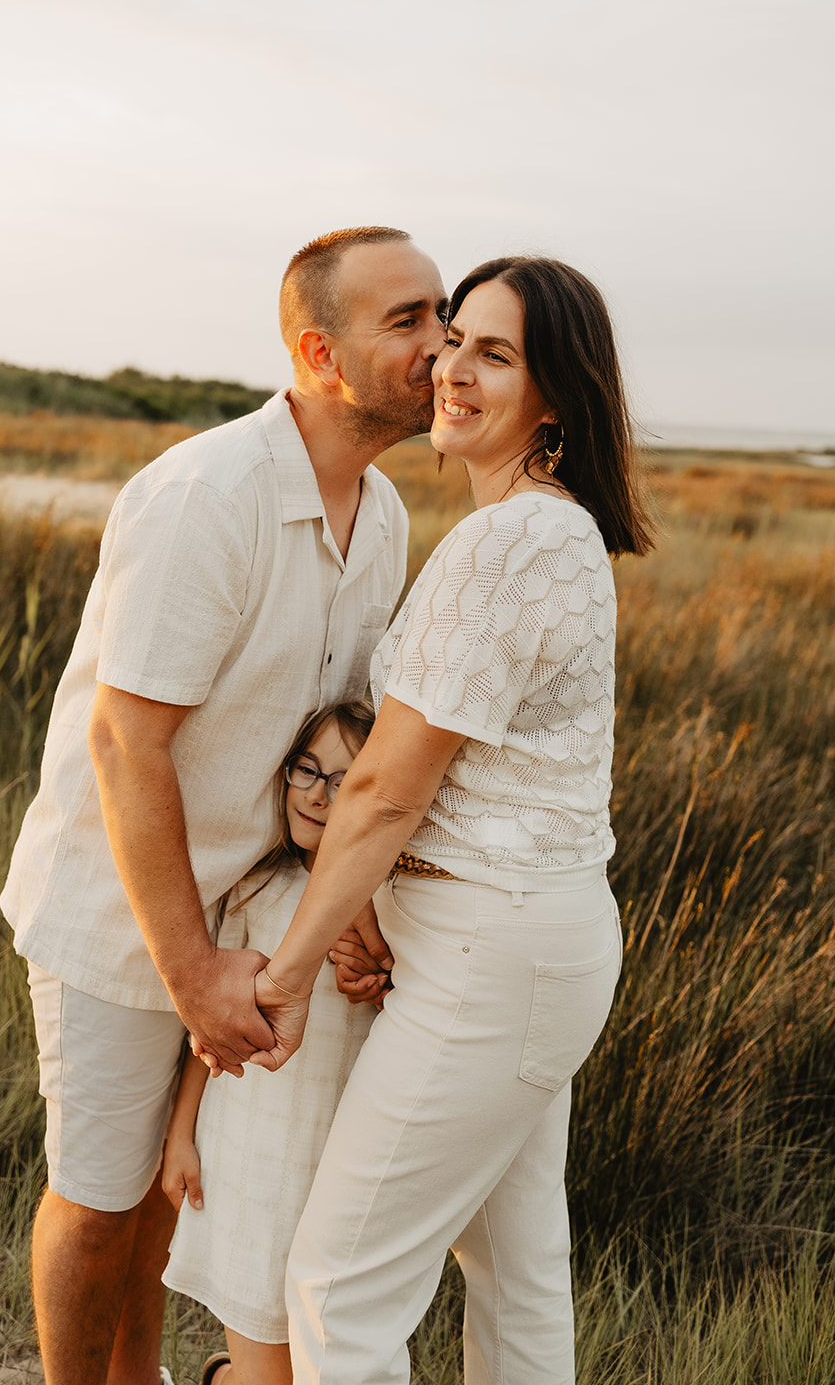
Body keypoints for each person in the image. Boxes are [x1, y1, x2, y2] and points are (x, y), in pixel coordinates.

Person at [0, 226, 447, 1385]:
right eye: (406, 320)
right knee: (98, 1201)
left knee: (168, 1196)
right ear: (317, 350)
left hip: (254, 921)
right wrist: (192, 968)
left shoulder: (384, 517)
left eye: (440, 314)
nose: (439, 344)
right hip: (123, 916)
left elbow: (332, 746)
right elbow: (125, 740)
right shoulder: (207, 495)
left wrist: (340, 905)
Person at [238, 255, 656, 1385]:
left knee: (339, 1283)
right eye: (453, 338)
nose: (450, 368)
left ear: (555, 394)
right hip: (519, 946)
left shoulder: (512, 539)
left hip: (492, 953)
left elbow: (384, 788)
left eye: (494, 353)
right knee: (516, 1276)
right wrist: (372, 903)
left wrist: (283, 972)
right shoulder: (539, 531)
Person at [162, 700, 377, 1385]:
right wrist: (182, 1133)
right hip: (248, 1153)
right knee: (265, 1356)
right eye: (305, 769)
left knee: (317, 1352)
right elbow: (214, 1034)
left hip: (331, 1162)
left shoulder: (386, 905)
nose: (317, 791)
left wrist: (373, 980)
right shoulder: (258, 888)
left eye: (344, 780)